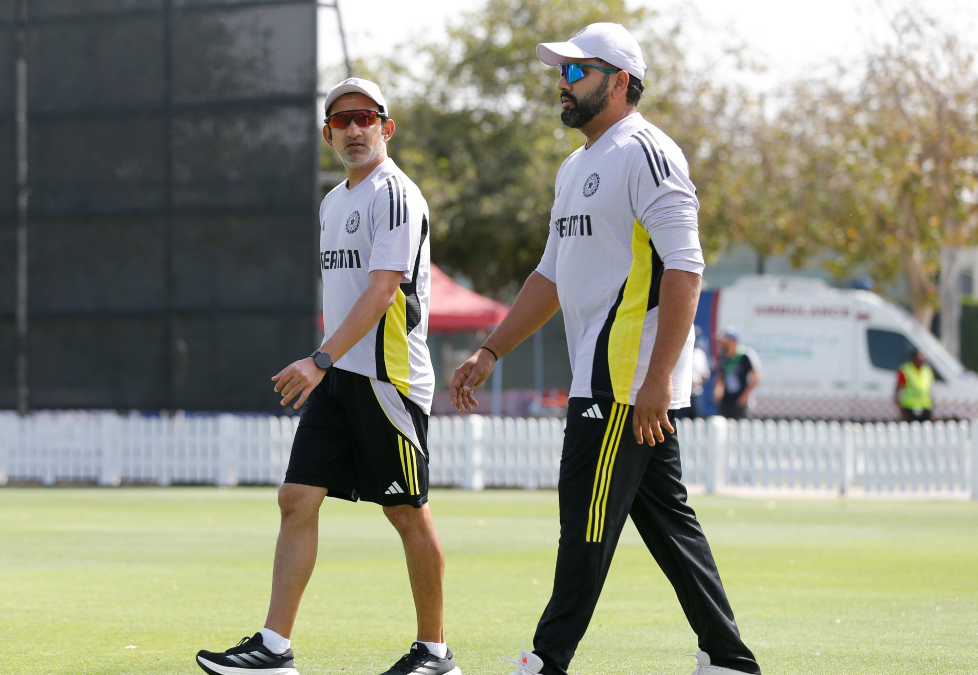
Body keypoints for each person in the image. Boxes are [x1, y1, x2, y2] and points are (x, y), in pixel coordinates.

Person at [448, 23, 761, 675]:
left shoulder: (646, 152)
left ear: (619, 81)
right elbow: (549, 277)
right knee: (669, 526)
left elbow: (685, 269)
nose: (561, 85)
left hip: (624, 383)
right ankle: (730, 659)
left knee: (584, 525)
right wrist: (490, 351)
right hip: (612, 379)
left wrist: (657, 379)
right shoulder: (575, 165)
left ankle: (547, 659)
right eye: (560, 73)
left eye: (574, 72)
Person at [196, 78, 459, 675]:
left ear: (386, 128)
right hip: (340, 376)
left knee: (406, 513)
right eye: (341, 121)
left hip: (387, 381)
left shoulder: (395, 193)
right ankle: (274, 647)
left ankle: (436, 653)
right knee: (296, 499)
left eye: (366, 117)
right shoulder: (334, 201)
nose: (354, 129)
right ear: (327, 134)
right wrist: (328, 364)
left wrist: (318, 359)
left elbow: (383, 290)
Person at [712, 327, 762, 420]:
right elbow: (720, 377)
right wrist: (718, 391)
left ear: (732, 341)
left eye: (724, 341)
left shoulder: (746, 355)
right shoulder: (723, 356)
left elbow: (756, 378)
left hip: (741, 401)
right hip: (726, 401)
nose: (721, 343)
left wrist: (744, 396)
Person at [676, 328, 711, 419]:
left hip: (696, 394)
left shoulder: (700, 354)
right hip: (681, 394)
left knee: (696, 420)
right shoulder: (679, 351)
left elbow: (705, 374)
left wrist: (700, 380)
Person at [895, 348, 934, 422]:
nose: (922, 358)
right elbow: (898, 388)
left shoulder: (927, 370)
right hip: (909, 407)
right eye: (920, 355)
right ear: (914, 358)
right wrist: (901, 408)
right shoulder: (905, 370)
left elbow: (929, 389)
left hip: (925, 406)